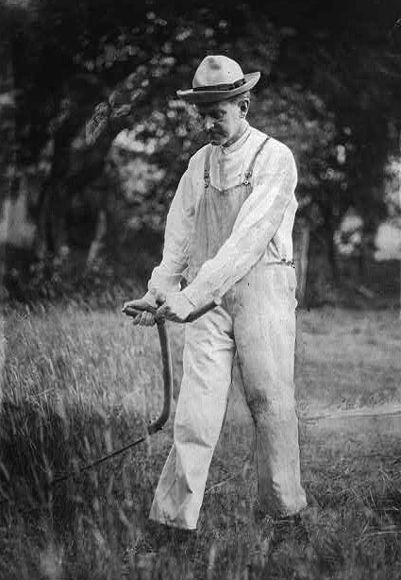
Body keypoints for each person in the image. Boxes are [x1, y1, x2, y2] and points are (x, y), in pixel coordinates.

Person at [123, 55, 307, 532]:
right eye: (201, 113)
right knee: (195, 409)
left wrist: (189, 298)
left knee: (269, 401)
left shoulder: (275, 158)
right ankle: (171, 522)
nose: (207, 123)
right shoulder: (198, 166)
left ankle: (283, 513)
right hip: (205, 298)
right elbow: (179, 238)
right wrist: (160, 292)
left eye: (217, 113)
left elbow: (247, 241)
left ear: (243, 105)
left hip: (261, 289)